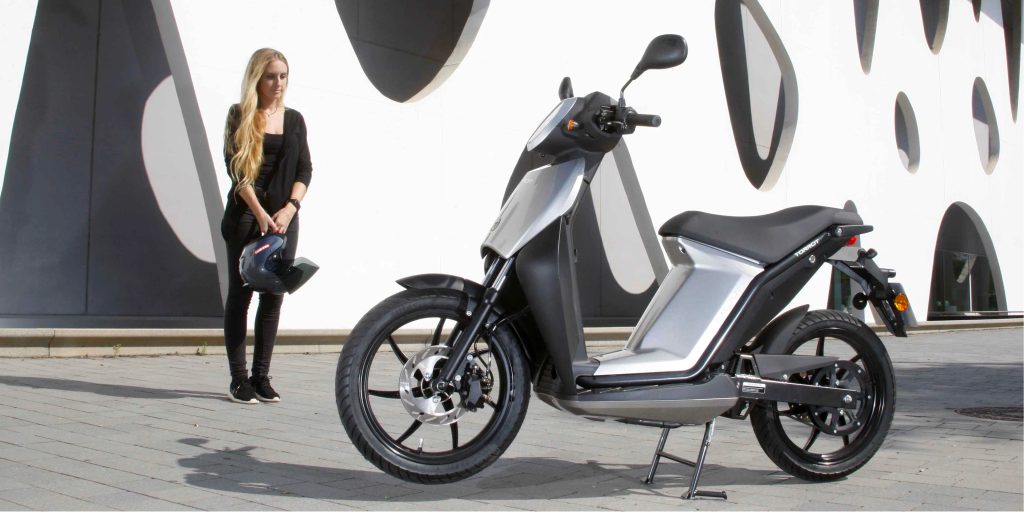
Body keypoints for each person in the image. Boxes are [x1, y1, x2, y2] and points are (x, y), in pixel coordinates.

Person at [221, 48, 312, 404]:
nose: (278, 83)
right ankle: (238, 379)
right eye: (271, 76)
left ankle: (261, 377)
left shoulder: (295, 120)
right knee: (241, 294)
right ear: (257, 78)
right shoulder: (239, 115)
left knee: (274, 295)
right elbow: (236, 170)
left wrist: (290, 209)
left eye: (283, 76)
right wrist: (260, 213)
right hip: (247, 215)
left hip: (284, 219)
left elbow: (305, 169)